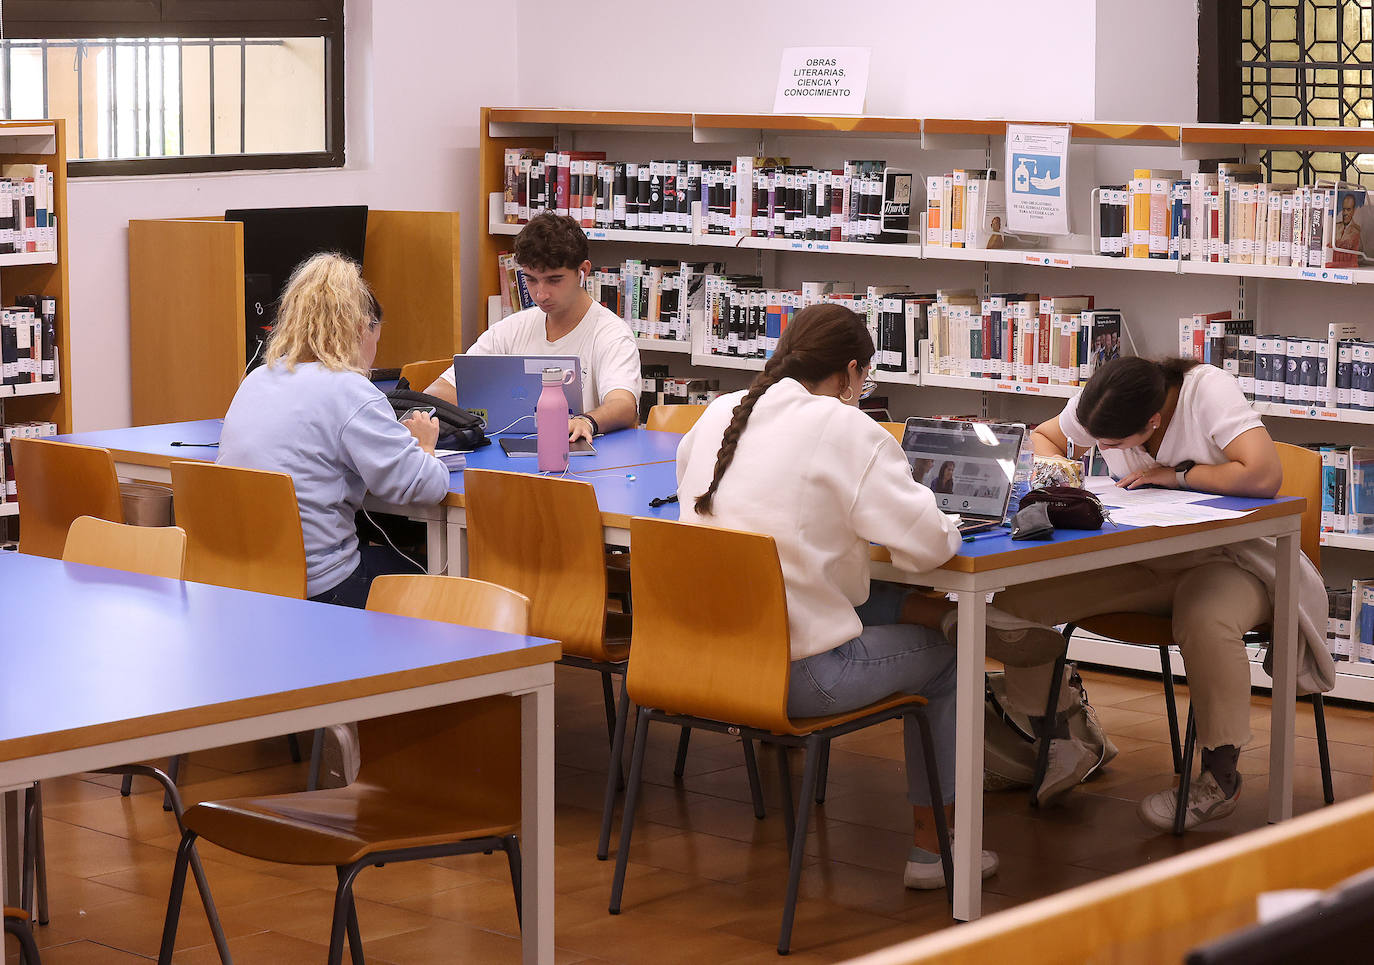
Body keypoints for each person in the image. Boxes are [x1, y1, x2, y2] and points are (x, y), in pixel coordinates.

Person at [676, 303, 1065, 889]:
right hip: (796, 674)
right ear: (852, 373)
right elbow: (930, 545)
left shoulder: (721, 412)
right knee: (950, 664)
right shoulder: (844, 425)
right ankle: (935, 853)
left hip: (698, 660)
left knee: (855, 595)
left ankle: (941, 617)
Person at [991, 356, 1334, 830]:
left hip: (1234, 559)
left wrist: (1177, 475)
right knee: (1017, 602)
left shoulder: (1205, 390)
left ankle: (1220, 778)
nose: (1101, 448)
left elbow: (1263, 475)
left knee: (1205, 618)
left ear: (1152, 422)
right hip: (1144, 555)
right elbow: (1047, 435)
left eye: (1111, 445)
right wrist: (1056, 466)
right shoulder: (1106, 399)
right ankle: (1062, 737)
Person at [218, 252, 450, 609]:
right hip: (320, 587)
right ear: (362, 326)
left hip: (240, 582)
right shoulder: (348, 390)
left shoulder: (256, 379)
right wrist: (424, 447)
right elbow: (426, 486)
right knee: (444, 585)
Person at [427, 212, 641, 443]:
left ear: (584, 271)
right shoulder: (511, 328)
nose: (541, 294)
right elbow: (439, 391)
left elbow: (623, 404)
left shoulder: (611, 333)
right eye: (531, 279)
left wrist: (586, 420)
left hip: (578, 457)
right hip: (506, 456)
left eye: (554, 280)